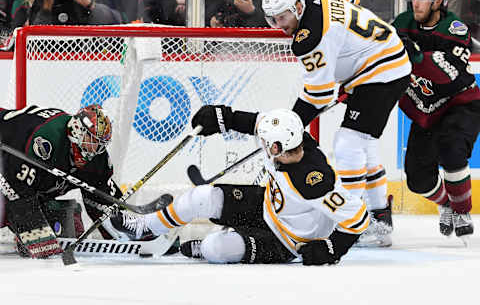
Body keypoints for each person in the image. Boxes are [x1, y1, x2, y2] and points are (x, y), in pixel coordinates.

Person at [111, 108, 370, 265]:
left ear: (278, 147)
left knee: (215, 248)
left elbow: (358, 218)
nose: (263, 143)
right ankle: (146, 228)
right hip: (266, 205)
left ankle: (210, 246)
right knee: (201, 197)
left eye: (267, 143)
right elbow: (258, 122)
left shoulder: (314, 181)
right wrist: (224, 117)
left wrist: (330, 249)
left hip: (286, 241)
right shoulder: (289, 139)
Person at [261, 0, 412, 247]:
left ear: (298, 8)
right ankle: (379, 219)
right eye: (273, 20)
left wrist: (289, 128)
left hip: (380, 74)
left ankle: (354, 223)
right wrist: (350, 43)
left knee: (348, 144)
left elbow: (318, 94)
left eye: (282, 18)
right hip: (386, 59)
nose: (280, 26)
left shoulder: (312, 36)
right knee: (364, 144)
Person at [392, 0, 479, 240]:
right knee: (418, 180)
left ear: (438, 0)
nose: (415, 3)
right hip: (426, 112)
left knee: (452, 149)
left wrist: (415, 55)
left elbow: (446, 73)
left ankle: (462, 211)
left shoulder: (455, 29)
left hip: (459, 104)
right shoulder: (401, 24)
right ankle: (447, 205)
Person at [0, 104, 130, 258]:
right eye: (91, 141)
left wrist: (123, 224)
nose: (94, 149)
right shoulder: (45, 138)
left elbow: (101, 197)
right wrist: (37, 236)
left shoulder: (93, 156)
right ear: (77, 131)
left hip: (16, 170)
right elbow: (14, 187)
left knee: (66, 225)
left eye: (99, 145)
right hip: (8, 162)